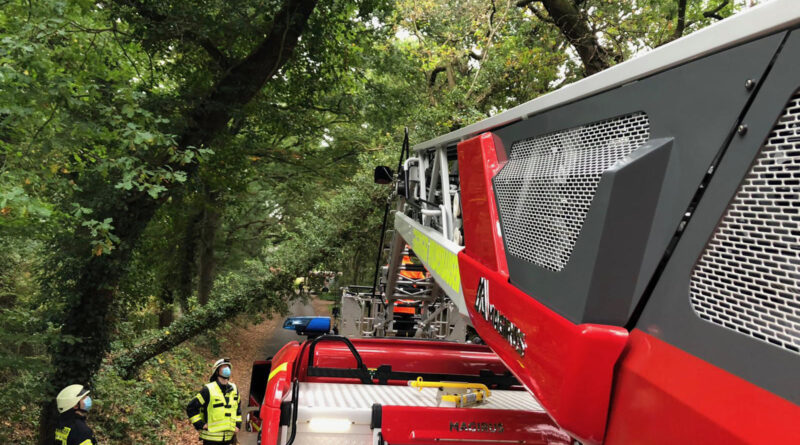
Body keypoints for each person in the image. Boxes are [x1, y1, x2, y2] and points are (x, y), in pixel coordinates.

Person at [187, 358, 242, 444]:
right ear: (216, 371)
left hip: (229, 439)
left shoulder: (234, 389)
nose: (227, 369)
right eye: (223, 367)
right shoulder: (208, 389)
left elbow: (238, 410)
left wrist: (238, 425)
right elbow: (191, 407)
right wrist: (200, 424)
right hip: (211, 440)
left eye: (228, 367)